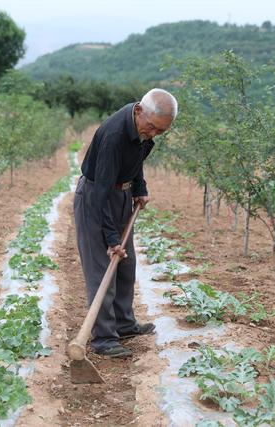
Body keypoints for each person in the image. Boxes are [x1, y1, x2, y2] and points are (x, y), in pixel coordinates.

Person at [73, 88, 178, 357]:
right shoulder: (113, 136)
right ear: (140, 111)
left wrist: (139, 188)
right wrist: (110, 239)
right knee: (102, 270)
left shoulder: (141, 127)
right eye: (152, 128)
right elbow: (101, 193)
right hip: (98, 198)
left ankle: (123, 323)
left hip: (123, 195)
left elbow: (136, 161)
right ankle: (103, 339)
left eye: (160, 132)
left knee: (126, 265)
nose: (153, 135)